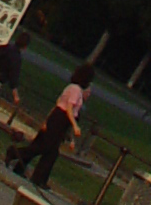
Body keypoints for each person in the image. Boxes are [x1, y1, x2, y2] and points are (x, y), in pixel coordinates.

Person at [6, 62, 94, 190]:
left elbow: (58, 104)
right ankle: (15, 153)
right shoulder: (76, 90)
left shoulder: (71, 88)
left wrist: (48, 121)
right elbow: (68, 108)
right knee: (43, 147)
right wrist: (75, 126)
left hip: (58, 118)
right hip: (60, 119)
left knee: (51, 152)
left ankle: (37, 177)